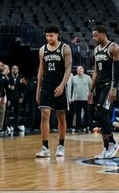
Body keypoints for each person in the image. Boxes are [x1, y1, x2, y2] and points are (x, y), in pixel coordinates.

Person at [34, 25, 73, 158]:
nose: (49, 38)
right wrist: (38, 89)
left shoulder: (65, 48)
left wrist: (62, 85)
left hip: (60, 85)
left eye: (51, 35)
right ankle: (45, 147)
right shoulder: (42, 50)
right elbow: (40, 70)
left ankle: (61, 145)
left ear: (57, 35)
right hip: (46, 85)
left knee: (61, 116)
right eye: (47, 36)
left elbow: (68, 68)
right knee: (44, 114)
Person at [88, 25, 119, 159]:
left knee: (101, 113)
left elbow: (118, 71)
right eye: (93, 36)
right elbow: (96, 72)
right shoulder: (96, 50)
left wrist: (114, 88)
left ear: (103, 34)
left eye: (96, 35)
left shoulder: (113, 47)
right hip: (100, 86)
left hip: (109, 85)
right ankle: (106, 146)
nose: (94, 38)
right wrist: (91, 90)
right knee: (100, 117)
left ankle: (113, 143)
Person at [68, 66, 92, 132]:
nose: (79, 70)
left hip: (85, 98)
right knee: (77, 114)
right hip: (76, 99)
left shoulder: (88, 77)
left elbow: (91, 88)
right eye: (78, 69)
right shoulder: (73, 78)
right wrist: (70, 97)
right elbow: (71, 88)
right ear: (76, 71)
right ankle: (78, 127)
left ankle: (86, 126)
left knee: (87, 113)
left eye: (81, 69)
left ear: (83, 70)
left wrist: (91, 97)